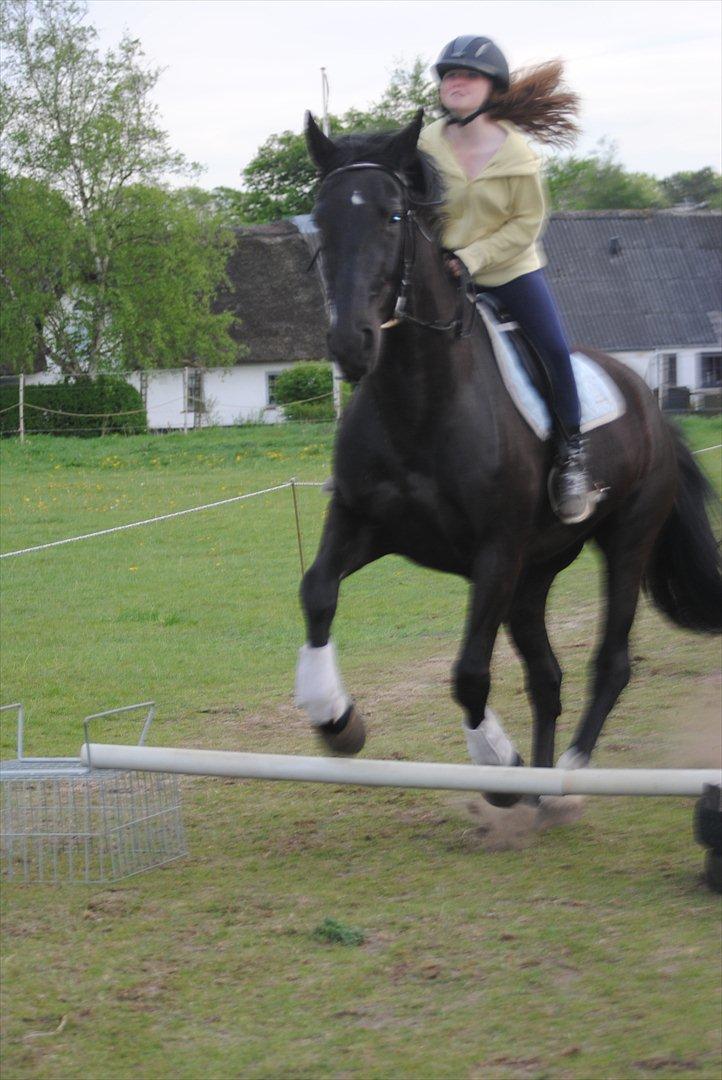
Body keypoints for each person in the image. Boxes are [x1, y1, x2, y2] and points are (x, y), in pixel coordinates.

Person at [418, 35, 596, 525]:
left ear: (491, 89)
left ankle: (572, 456)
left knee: (554, 350)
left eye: (468, 75)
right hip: (440, 271)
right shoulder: (424, 143)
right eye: (449, 74)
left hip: (509, 270)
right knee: (387, 338)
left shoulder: (520, 157)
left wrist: (472, 256)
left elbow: (525, 227)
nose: (456, 81)